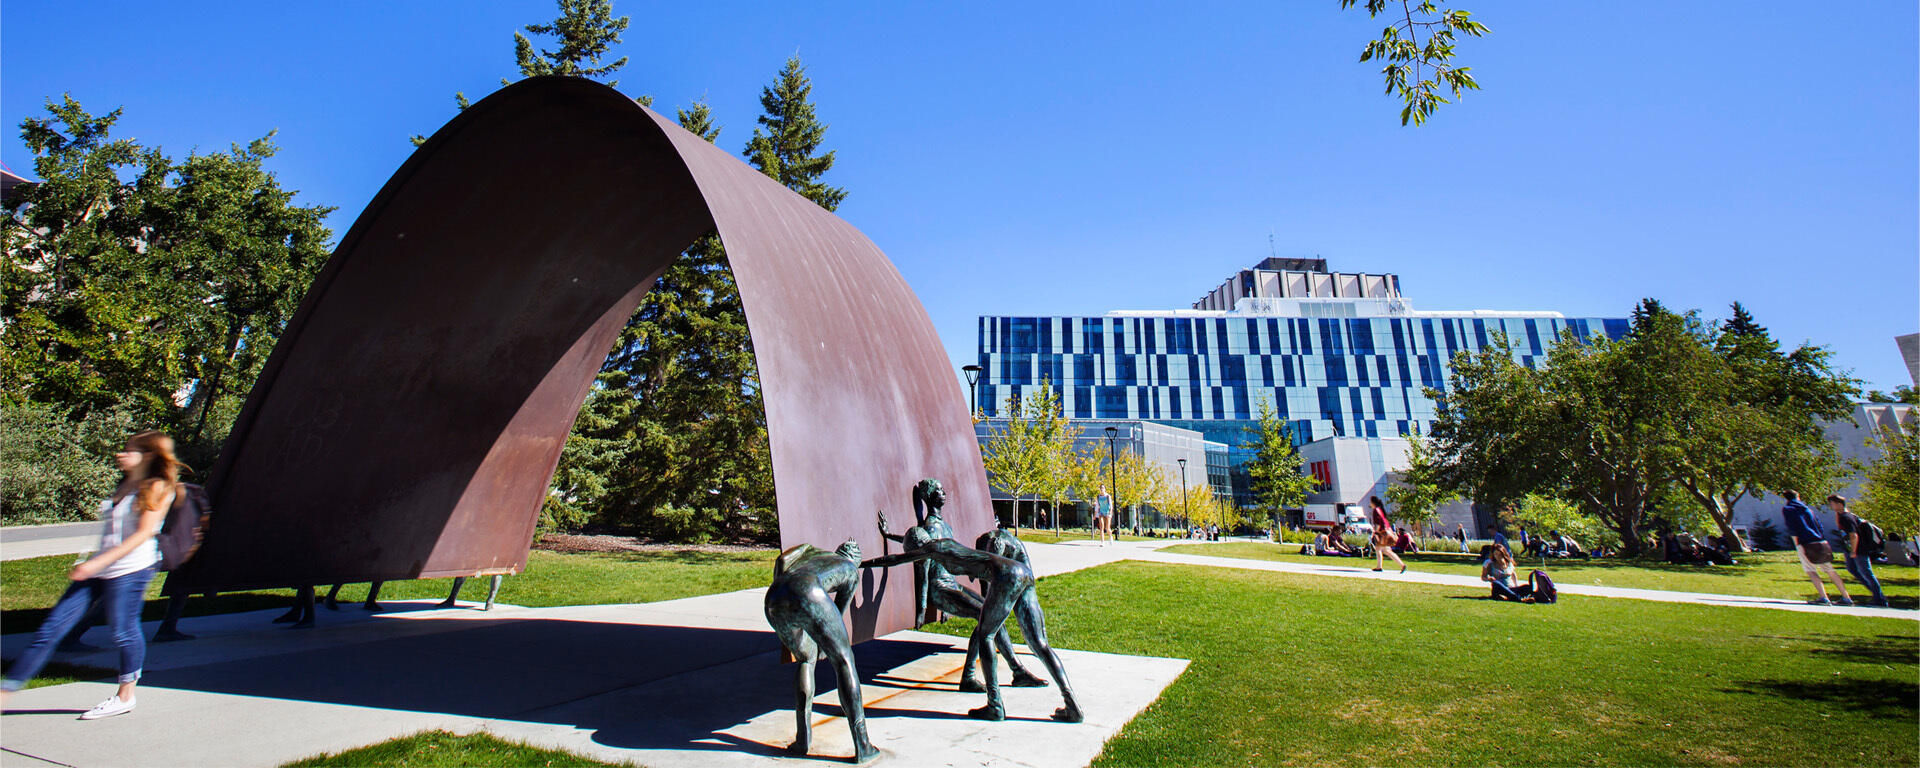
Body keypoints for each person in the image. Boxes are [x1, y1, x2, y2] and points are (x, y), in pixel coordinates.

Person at [2, 431, 179, 718]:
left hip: (131, 569)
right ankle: (6, 692)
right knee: (50, 630)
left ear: (147, 455)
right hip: (101, 567)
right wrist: (95, 562)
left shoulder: (157, 486)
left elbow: (143, 534)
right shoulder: (126, 482)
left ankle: (125, 696)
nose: (120, 454)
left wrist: (96, 565)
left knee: (123, 631)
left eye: (128, 450)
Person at [862, 534, 1083, 723]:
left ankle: (995, 705)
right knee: (1040, 644)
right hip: (1022, 571)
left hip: (1007, 576)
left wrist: (863, 564)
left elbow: (895, 559)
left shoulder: (932, 549)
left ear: (918, 547)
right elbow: (907, 543)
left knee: (986, 635)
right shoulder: (945, 543)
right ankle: (1071, 703)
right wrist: (891, 535)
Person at [764, 541, 877, 762]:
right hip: (809, 591)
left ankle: (802, 740)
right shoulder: (850, 569)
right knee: (844, 661)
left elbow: (782, 561)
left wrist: (784, 589)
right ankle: (863, 746)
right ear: (855, 559)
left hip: (774, 597)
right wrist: (829, 646)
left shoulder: (810, 551)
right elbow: (839, 611)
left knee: (806, 658)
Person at [1781, 490, 1853, 606]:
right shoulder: (1808, 509)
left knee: (1810, 570)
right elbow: (1819, 525)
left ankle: (1823, 597)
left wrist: (1796, 544)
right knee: (1830, 570)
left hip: (1804, 542)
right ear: (1798, 496)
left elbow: (1792, 527)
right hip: (1820, 541)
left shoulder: (1788, 509)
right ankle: (1846, 597)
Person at [1829, 495, 1888, 607]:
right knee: (1853, 570)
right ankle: (1876, 595)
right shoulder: (1843, 516)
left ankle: (1880, 599)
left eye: (1832, 503)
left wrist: (1853, 551)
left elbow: (1853, 535)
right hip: (1851, 549)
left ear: (1839, 504)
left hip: (1858, 549)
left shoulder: (1847, 518)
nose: (1831, 506)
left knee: (1866, 573)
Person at [1367, 497, 1406, 574]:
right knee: (1386, 550)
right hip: (1387, 531)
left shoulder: (1376, 510)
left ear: (1373, 503)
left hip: (1382, 533)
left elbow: (1377, 523)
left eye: (1370, 502)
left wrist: (1375, 532)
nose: (1370, 504)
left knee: (1380, 549)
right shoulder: (1381, 510)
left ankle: (1379, 567)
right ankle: (1401, 565)